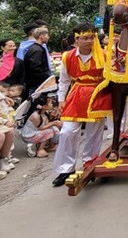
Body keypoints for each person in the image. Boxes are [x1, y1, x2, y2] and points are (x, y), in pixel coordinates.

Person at [51, 23, 109, 187]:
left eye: (92, 38)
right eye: (85, 38)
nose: (89, 41)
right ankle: (66, 169)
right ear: (76, 39)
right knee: (67, 132)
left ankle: (90, 161)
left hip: (97, 94)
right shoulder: (68, 57)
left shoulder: (103, 55)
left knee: (94, 132)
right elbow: (64, 80)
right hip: (77, 94)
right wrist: (61, 99)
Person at [21, 93, 61, 158]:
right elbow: (40, 128)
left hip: (37, 131)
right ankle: (40, 150)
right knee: (49, 131)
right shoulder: (35, 116)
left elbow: (46, 124)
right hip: (30, 135)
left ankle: (52, 145)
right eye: (50, 103)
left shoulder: (45, 113)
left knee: (54, 128)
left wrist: (54, 122)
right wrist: (52, 123)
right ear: (44, 106)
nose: (52, 104)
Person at [23, 27, 52, 98]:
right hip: (36, 84)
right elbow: (35, 68)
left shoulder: (35, 48)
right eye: (47, 35)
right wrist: (47, 76)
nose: (48, 38)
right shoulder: (37, 51)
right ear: (41, 36)